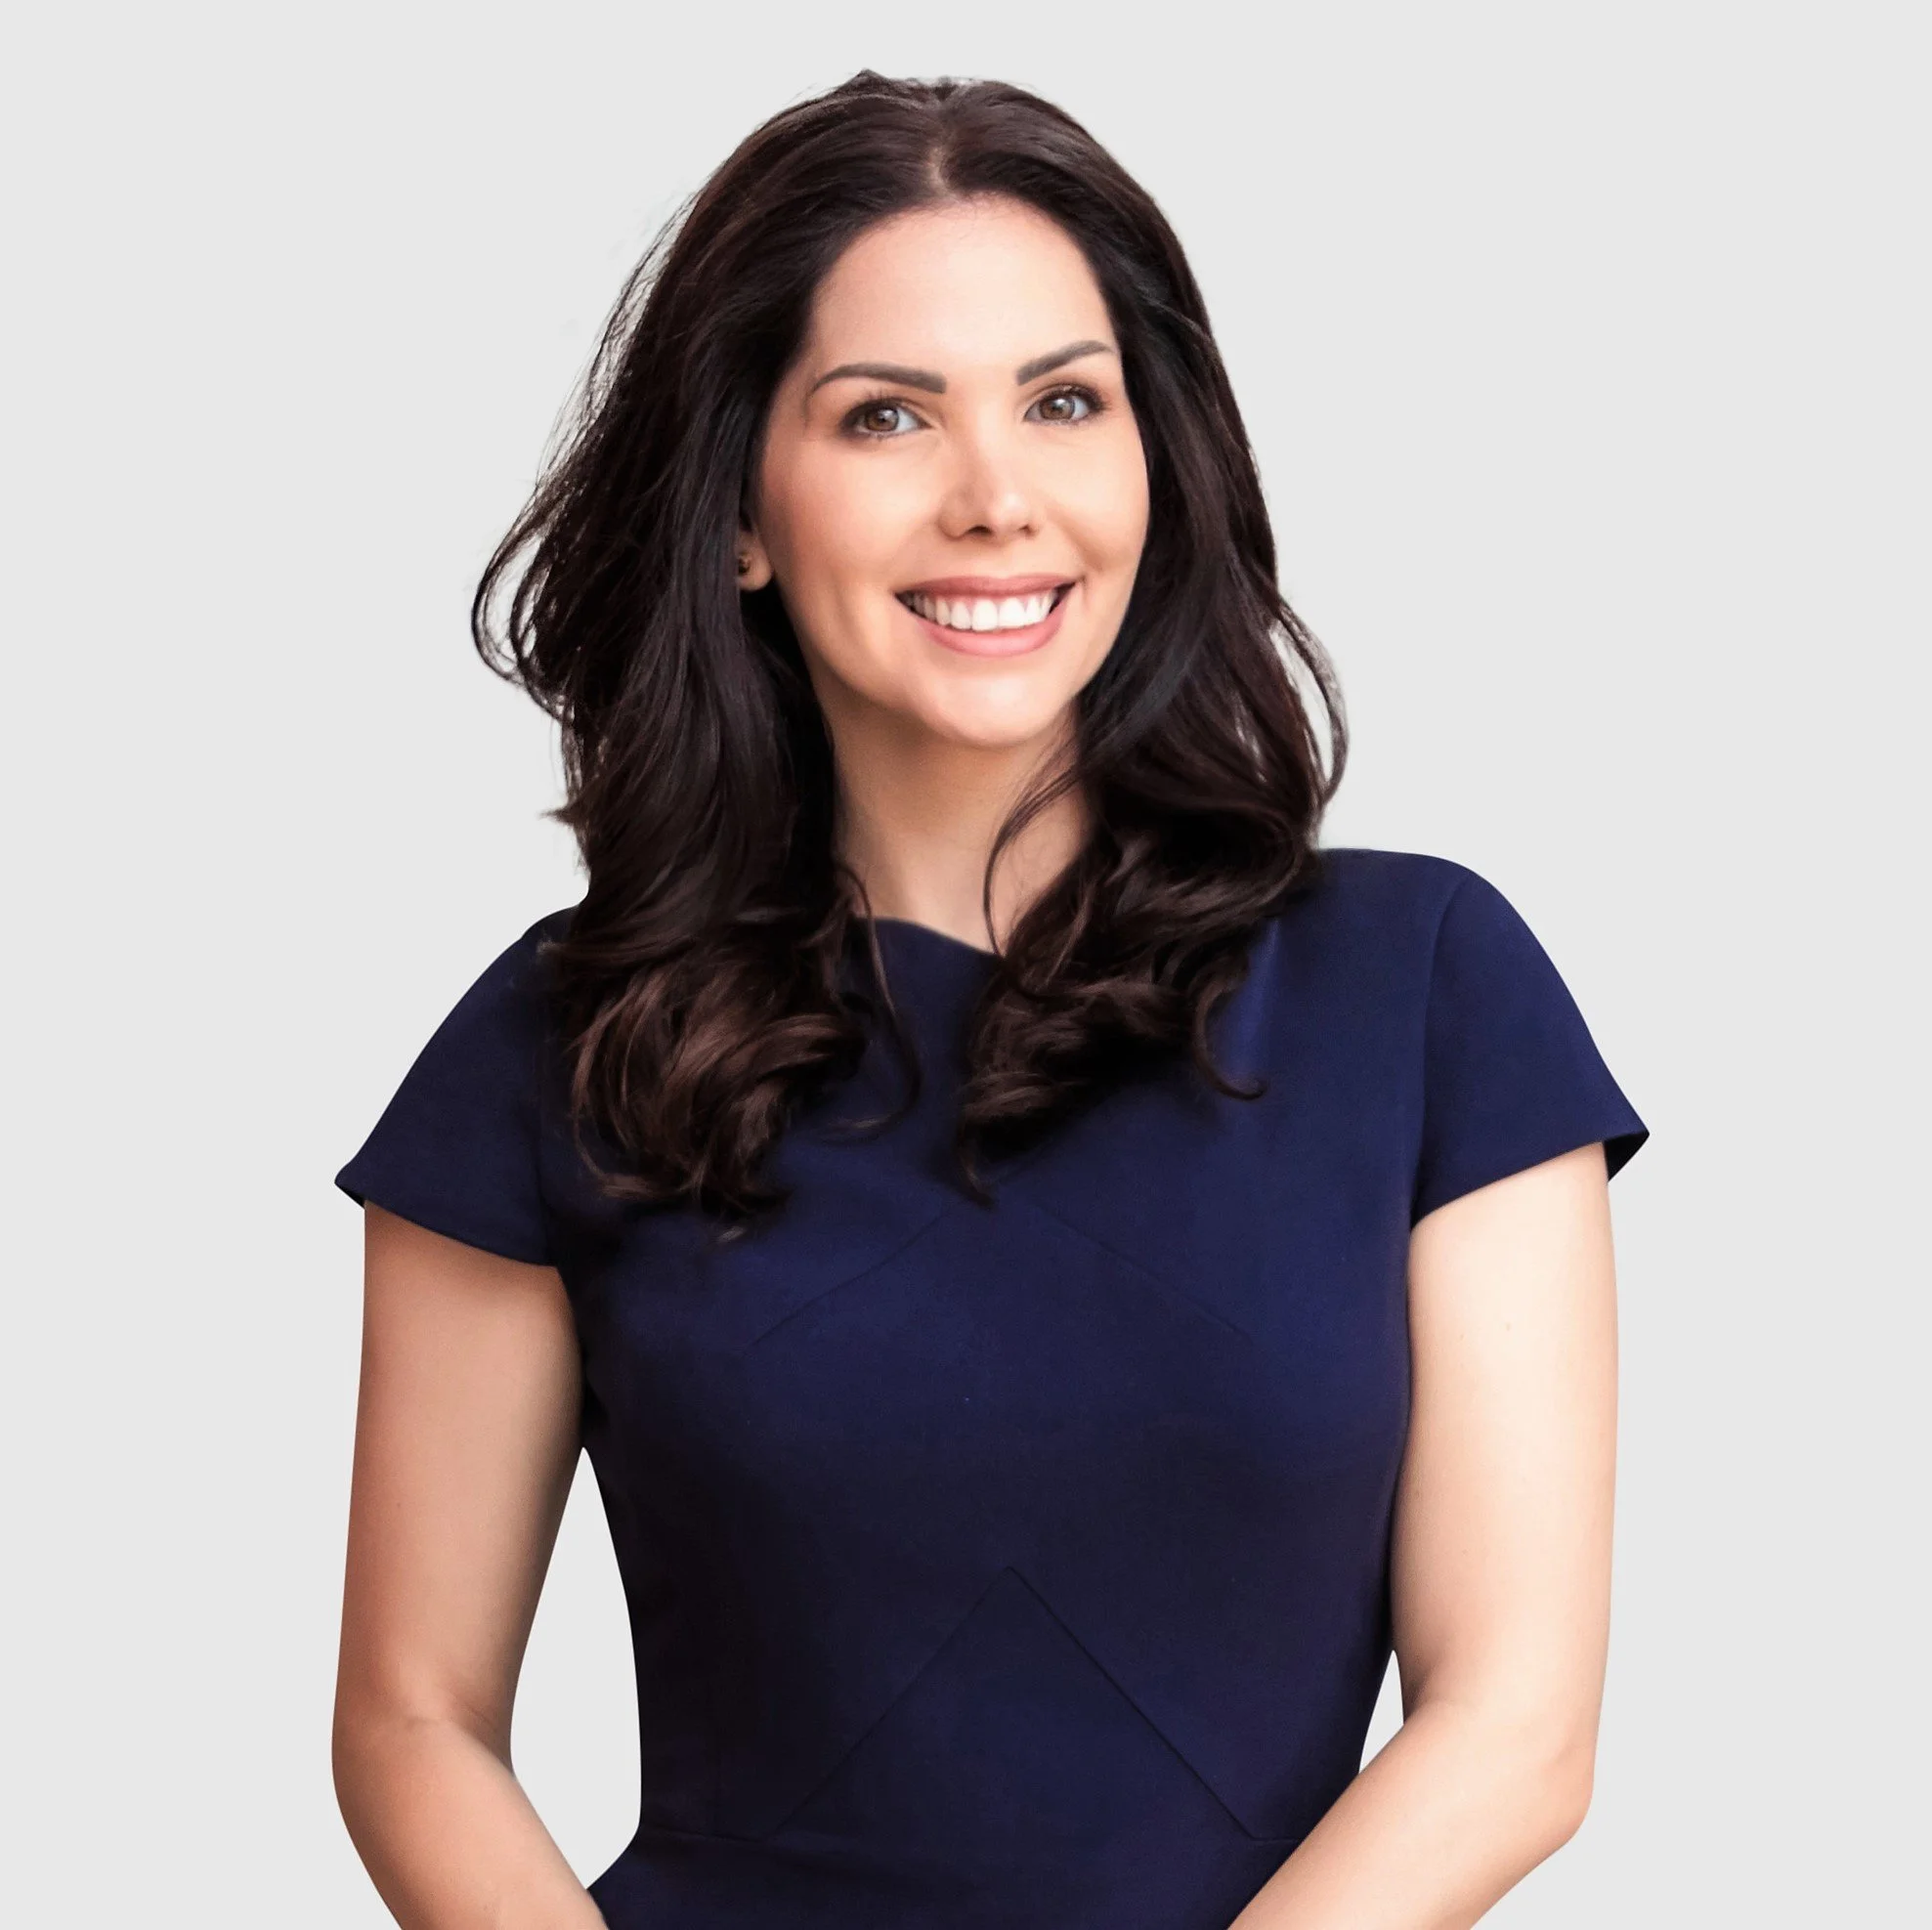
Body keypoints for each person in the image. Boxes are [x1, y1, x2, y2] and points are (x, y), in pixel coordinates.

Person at [331, 70, 1647, 1930]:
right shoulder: (562, 1048)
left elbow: (1516, 1728)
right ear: (740, 520)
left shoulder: (1430, 992)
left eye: (1063, 402)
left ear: (1152, 465)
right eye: (886, 416)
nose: (995, 497)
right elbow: (409, 1718)